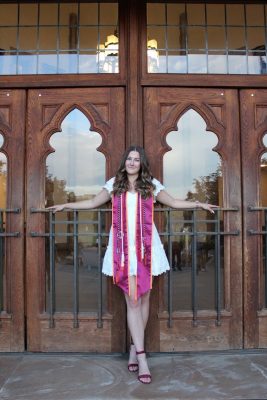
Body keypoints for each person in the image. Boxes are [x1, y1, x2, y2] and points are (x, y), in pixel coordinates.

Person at [49, 145, 217, 384]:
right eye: (129, 158)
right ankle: (142, 356)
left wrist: (199, 204)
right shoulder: (114, 184)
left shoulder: (150, 185)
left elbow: (174, 203)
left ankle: (132, 348)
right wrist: (66, 206)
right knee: (133, 300)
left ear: (141, 164)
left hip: (147, 247)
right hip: (122, 248)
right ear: (124, 162)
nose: (132, 162)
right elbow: (92, 203)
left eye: (136, 159)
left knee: (145, 297)